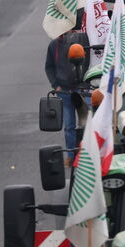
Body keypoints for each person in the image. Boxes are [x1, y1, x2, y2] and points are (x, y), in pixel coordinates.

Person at [45, 26, 86, 155]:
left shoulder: (82, 41)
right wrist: (55, 85)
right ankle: (70, 154)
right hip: (64, 91)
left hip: (82, 90)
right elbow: (49, 66)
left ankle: (86, 154)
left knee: (86, 124)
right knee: (69, 126)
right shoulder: (54, 45)